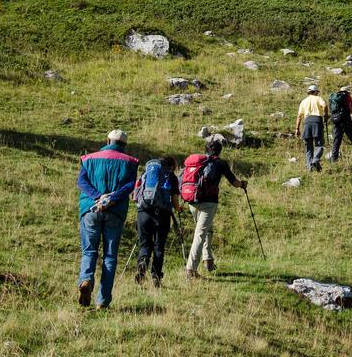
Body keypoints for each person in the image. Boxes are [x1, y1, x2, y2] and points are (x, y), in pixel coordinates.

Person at [75, 129, 139, 308]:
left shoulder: (89, 158)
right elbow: (129, 186)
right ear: (124, 144)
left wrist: (97, 197)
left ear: (108, 140)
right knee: (110, 257)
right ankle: (102, 301)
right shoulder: (130, 162)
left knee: (89, 251)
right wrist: (111, 199)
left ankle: (86, 280)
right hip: (115, 211)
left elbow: (81, 182)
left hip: (90, 209)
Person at [184, 135, 246, 278]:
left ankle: (208, 260)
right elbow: (234, 182)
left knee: (207, 229)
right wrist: (243, 184)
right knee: (200, 234)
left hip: (192, 201)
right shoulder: (220, 163)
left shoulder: (198, 162)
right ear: (219, 151)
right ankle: (191, 270)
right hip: (209, 203)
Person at [134, 155, 180, 288]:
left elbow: (134, 197)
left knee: (144, 244)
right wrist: (178, 208)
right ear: (171, 166)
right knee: (159, 247)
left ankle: (142, 263)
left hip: (143, 213)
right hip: (162, 215)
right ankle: (156, 276)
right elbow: (176, 202)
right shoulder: (171, 176)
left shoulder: (146, 173)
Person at [295, 84, 328, 172]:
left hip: (307, 122)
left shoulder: (303, 101)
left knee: (308, 147)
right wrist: (326, 116)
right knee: (319, 144)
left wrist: (297, 129)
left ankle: (309, 167)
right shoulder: (318, 98)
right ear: (316, 92)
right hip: (317, 121)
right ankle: (315, 160)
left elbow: (299, 116)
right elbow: (324, 105)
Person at [328, 85, 352, 163]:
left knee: (337, 140)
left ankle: (334, 160)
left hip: (335, 120)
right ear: (347, 92)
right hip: (345, 120)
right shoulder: (347, 97)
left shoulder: (334, 98)